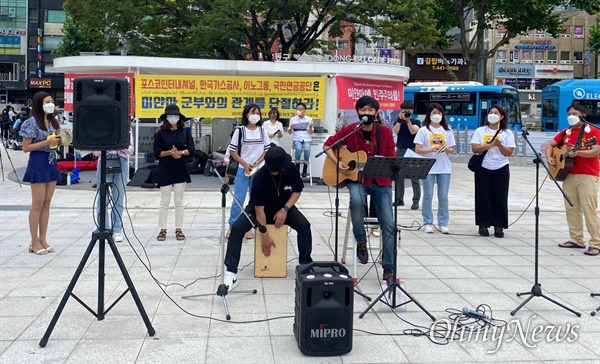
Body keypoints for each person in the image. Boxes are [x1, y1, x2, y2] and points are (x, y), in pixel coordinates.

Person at [323, 96, 397, 285]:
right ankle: (361, 241)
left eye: (371, 110)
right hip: (356, 180)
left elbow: (391, 158)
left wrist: (381, 163)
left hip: (381, 181)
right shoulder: (350, 131)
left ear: (376, 113)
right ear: (358, 112)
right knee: (356, 200)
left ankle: (388, 268)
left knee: (388, 223)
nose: (367, 113)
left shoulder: (385, 132)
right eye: (363, 110)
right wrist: (338, 163)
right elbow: (327, 146)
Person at [223, 146, 313, 290]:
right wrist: (264, 234)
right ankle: (231, 272)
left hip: (284, 207)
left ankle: (305, 264)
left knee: (304, 226)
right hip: (260, 209)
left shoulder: (291, 169)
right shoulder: (260, 177)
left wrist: (285, 209)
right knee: (237, 229)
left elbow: (297, 191)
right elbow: (259, 211)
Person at [545, 104, 600, 256]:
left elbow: (596, 150)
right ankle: (576, 239)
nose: (571, 115)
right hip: (568, 174)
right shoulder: (565, 133)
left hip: (587, 174)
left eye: (574, 113)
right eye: (569, 113)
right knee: (572, 208)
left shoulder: (593, 132)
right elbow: (550, 145)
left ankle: (596, 242)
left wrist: (579, 154)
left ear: (583, 115)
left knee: (589, 208)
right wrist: (550, 157)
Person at [19, 92, 62, 255]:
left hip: (51, 161)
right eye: (47, 101)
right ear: (39, 104)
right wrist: (46, 142)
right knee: (37, 203)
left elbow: (56, 139)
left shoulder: (53, 121)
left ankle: (43, 238)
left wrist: (60, 141)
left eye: (52, 101)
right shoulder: (31, 123)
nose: (51, 104)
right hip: (38, 161)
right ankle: (34, 241)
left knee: (47, 202)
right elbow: (26, 147)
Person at [471, 105, 516, 238]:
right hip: (483, 167)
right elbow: (475, 149)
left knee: (500, 197)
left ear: (501, 117)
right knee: (482, 197)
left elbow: (509, 152)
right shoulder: (480, 131)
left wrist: (499, 145)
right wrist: (489, 145)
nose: (492, 115)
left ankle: (499, 226)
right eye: (490, 112)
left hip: (501, 168)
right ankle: (483, 225)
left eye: (496, 113)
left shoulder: (507, 133)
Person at [227, 104, 270, 239]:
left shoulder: (262, 131)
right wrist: (245, 164)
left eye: (257, 113)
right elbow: (233, 151)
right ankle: (233, 226)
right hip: (243, 169)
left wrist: (257, 162)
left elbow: (266, 149)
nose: (255, 115)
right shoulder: (240, 131)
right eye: (253, 112)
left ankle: (250, 226)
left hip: (259, 170)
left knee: (255, 200)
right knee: (238, 199)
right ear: (247, 115)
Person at [153, 104, 195, 241]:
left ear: (179, 117)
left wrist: (180, 153)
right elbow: (157, 153)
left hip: (180, 167)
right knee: (164, 201)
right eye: (170, 116)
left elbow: (191, 149)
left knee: (179, 201)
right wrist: (170, 153)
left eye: (175, 116)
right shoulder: (160, 133)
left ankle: (179, 228)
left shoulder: (184, 131)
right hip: (165, 168)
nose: (173, 118)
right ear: (166, 117)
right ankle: (162, 229)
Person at [414, 102, 456, 234]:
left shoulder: (447, 130)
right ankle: (428, 222)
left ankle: (443, 223)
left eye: (439, 113)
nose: (436, 115)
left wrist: (445, 149)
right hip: (428, 167)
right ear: (429, 115)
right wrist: (431, 149)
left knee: (443, 196)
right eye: (434, 113)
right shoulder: (423, 130)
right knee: (428, 195)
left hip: (444, 167)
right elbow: (418, 149)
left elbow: (452, 149)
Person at [95, 125, 135, 242]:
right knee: (103, 198)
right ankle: (104, 228)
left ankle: (117, 230)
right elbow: (96, 151)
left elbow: (130, 150)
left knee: (119, 197)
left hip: (121, 160)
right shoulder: (100, 126)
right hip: (104, 160)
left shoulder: (126, 127)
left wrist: (119, 145)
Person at [393, 100, 422, 210]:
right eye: (404, 110)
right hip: (400, 149)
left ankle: (416, 201)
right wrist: (400, 120)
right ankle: (399, 199)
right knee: (399, 176)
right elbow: (395, 131)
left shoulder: (416, 121)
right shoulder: (397, 121)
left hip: (412, 149)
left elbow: (413, 132)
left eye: (409, 110)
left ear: (412, 111)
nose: (406, 112)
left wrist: (408, 120)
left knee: (414, 176)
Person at [288, 102, 313, 177]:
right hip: (297, 138)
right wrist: (291, 127)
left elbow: (311, 132)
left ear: (304, 110)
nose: (298, 110)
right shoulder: (293, 119)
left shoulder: (309, 119)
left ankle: (305, 166)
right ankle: (297, 164)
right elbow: (289, 132)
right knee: (298, 148)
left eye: (300, 109)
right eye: (297, 109)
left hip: (307, 138)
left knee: (307, 149)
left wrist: (310, 127)